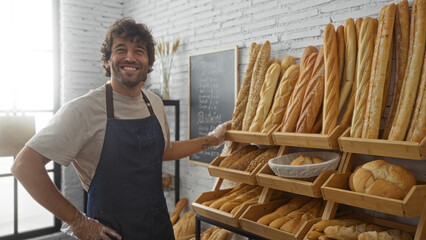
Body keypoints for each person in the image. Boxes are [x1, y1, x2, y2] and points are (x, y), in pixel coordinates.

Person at [11, 18, 231, 240]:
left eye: (139, 51)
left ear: (150, 63)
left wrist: (213, 139)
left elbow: (164, 151)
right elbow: (24, 166)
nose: (130, 57)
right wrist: (77, 221)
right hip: (111, 233)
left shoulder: (154, 103)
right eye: (121, 49)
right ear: (107, 61)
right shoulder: (83, 109)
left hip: (158, 228)